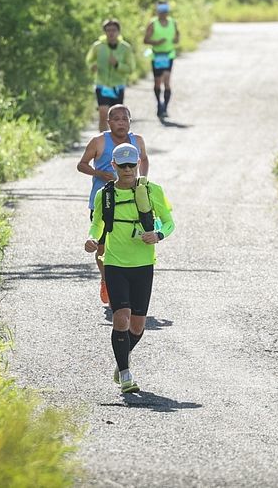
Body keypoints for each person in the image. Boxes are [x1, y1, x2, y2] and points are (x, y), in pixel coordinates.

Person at [84, 142, 174, 394]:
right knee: (120, 317)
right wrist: (92, 239)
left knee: (137, 325)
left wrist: (158, 235)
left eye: (130, 165)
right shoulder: (106, 194)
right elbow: (97, 224)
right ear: (113, 165)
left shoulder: (152, 190)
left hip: (143, 264)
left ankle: (121, 359)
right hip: (114, 262)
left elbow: (169, 222)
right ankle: (125, 374)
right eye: (121, 165)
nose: (126, 169)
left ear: (137, 164)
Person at [77, 104, 149, 305]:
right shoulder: (99, 141)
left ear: (130, 121)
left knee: (128, 242)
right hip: (104, 201)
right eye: (116, 119)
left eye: (125, 119)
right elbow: (81, 164)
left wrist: (143, 180)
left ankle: (123, 283)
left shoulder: (138, 141)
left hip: (132, 201)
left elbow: (143, 159)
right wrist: (99, 173)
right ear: (109, 123)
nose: (121, 123)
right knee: (102, 246)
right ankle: (106, 279)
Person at [86, 18, 137, 132]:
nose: (111, 33)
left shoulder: (125, 48)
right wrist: (92, 66)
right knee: (103, 113)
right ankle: (102, 143)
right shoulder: (98, 46)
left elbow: (131, 68)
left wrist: (117, 65)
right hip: (102, 84)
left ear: (118, 32)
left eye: (114, 30)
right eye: (108, 30)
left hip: (117, 86)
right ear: (104, 32)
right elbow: (89, 60)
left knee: (115, 118)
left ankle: (114, 143)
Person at [143, 1, 180, 118]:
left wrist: (176, 39)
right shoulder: (152, 24)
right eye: (161, 12)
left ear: (167, 12)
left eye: (165, 12)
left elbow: (177, 37)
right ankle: (159, 103)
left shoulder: (173, 23)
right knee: (157, 82)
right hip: (157, 56)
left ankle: (165, 108)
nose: (163, 14)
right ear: (157, 12)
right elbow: (145, 40)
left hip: (168, 55)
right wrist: (157, 42)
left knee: (167, 81)